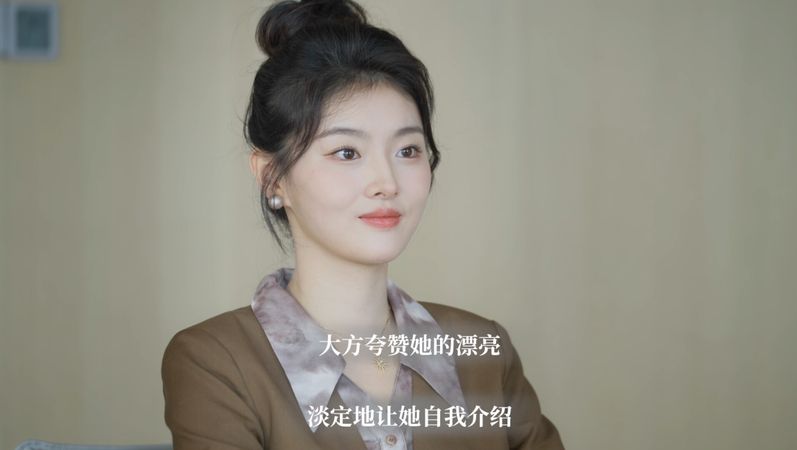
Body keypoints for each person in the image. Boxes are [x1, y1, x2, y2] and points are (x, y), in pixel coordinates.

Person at [161, 1, 565, 449]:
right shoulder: (217, 361)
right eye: (347, 152)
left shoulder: (484, 348)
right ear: (272, 176)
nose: (386, 183)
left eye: (408, 150)